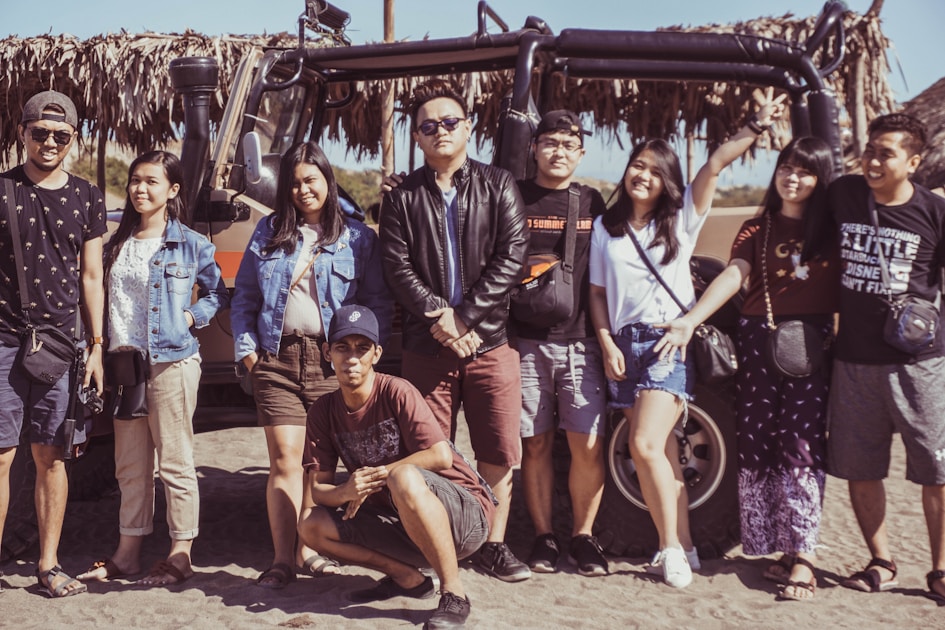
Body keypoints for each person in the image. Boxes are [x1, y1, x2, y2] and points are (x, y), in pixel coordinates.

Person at [588, 89, 785, 589]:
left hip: (666, 343)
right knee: (661, 451)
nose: (643, 175)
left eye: (654, 171)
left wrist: (756, 125)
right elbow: (597, 293)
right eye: (637, 166)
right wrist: (607, 343)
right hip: (623, 347)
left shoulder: (681, 219)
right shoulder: (605, 228)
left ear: (667, 181)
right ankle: (689, 547)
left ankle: (669, 549)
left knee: (644, 444)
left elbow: (715, 163)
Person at [655, 137, 838, 600]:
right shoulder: (757, 228)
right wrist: (691, 319)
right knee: (757, 442)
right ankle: (781, 548)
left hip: (811, 346)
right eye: (786, 168)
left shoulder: (833, 230)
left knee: (801, 443)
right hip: (760, 340)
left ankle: (804, 556)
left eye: (805, 171)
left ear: (820, 179)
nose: (792, 178)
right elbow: (734, 274)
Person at [378, 78, 530, 582]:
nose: (440, 131)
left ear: (468, 128)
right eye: (429, 126)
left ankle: (493, 545)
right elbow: (396, 266)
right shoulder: (401, 198)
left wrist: (465, 319)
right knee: (430, 449)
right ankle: (441, 542)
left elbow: (512, 258)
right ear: (416, 137)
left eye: (449, 122)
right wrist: (439, 318)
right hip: (428, 346)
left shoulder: (499, 184)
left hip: (490, 342)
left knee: (498, 450)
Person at [230, 140, 391, 589]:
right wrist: (248, 353)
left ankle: (309, 549)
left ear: (328, 181)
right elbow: (245, 297)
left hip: (332, 362)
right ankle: (282, 559)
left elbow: (377, 302)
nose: (303, 190)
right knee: (284, 459)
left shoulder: (358, 238)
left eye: (311, 180)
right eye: (295, 183)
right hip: (277, 359)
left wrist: (363, 356)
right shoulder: (268, 232)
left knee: (317, 466)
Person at [75, 150, 228, 586]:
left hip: (171, 361)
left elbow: (218, 294)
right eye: (135, 180)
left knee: (175, 462)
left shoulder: (191, 243)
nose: (140, 189)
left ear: (172, 190)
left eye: (151, 181)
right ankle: (127, 554)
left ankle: (181, 554)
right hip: (124, 366)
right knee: (130, 465)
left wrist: (190, 317)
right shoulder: (114, 241)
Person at [298, 304, 495, 629]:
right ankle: (406, 577)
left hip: (465, 519)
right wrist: (346, 491)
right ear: (327, 352)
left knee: (402, 476)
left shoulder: (396, 390)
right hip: (405, 522)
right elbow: (318, 491)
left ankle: (454, 593)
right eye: (342, 347)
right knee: (310, 525)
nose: (352, 358)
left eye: (362, 348)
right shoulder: (323, 411)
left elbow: (440, 456)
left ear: (376, 354)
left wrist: (380, 475)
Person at [825, 113, 945, 602]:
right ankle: (882, 561)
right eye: (870, 151)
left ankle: (940, 570)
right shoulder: (844, 194)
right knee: (861, 467)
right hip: (854, 360)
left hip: (921, 363)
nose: (873, 162)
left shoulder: (934, 212)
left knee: (937, 469)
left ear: (913, 162)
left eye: (886, 154)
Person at [0, 90, 106, 598]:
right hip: (3, 340)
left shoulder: (88, 196)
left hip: (62, 346)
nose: (49, 142)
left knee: (51, 457)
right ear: (22, 132)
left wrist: (97, 345)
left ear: (73, 139)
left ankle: (48, 564)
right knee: (0, 457)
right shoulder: (1, 190)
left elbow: (92, 276)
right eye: (39, 132)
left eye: (60, 135)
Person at [512, 111, 609, 576]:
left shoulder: (592, 202)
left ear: (581, 153)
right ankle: (544, 536)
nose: (558, 152)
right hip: (524, 341)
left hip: (581, 341)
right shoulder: (511, 195)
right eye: (550, 142)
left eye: (569, 145)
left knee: (587, 444)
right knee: (535, 444)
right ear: (534, 148)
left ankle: (584, 537)